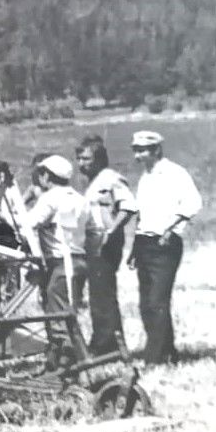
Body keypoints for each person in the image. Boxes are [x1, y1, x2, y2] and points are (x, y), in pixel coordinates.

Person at [128, 130, 202, 364]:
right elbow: (142, 216)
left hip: (165, 244)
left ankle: (156, 358)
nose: (138, 156)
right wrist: (134, 248)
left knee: (157, 301)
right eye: (136, 151)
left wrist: (170, 230)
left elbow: (193, 203)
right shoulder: (145, 178)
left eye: (142, 150)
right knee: (146, 302)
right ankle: (167, 351)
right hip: (145, 242)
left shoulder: (175, 173)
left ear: (156, 150)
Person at [18, 155, 89, 366]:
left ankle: (68, 364)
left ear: (46, 175)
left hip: (60, 264)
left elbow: (28, 225)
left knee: (58, 317)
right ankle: (64, 361)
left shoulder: (50, 199)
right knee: (68, 314)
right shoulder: (78, 198)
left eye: (40, 173)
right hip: (78, 261)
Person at [75, 136, 137, 354]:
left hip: (104, 239)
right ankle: (105, 341)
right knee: (97, 293)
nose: (81, 164)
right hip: (93, 239)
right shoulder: (94, 182)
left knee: (103, 293)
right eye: (79, 159)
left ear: (100, 159)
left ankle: (107, 345)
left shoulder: (111, 179)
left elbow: (128, 207)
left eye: (86, 159)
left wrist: (113, 231)